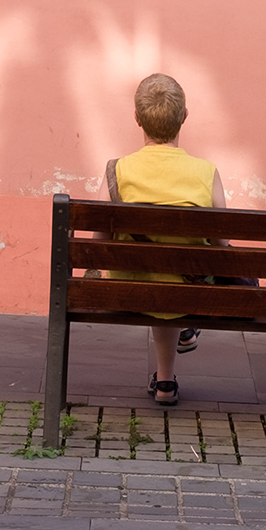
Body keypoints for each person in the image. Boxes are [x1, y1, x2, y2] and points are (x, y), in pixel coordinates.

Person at [105, 73, 225, 406]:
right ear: (184, 117)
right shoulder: (206, 172)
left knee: (159, 273)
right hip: (186, 288)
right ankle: (183, 339)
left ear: (136, 118)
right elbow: (222, 245)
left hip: (131, 287)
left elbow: (98, 240)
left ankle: (165, 381)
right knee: (176, 275)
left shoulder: (117, 171)